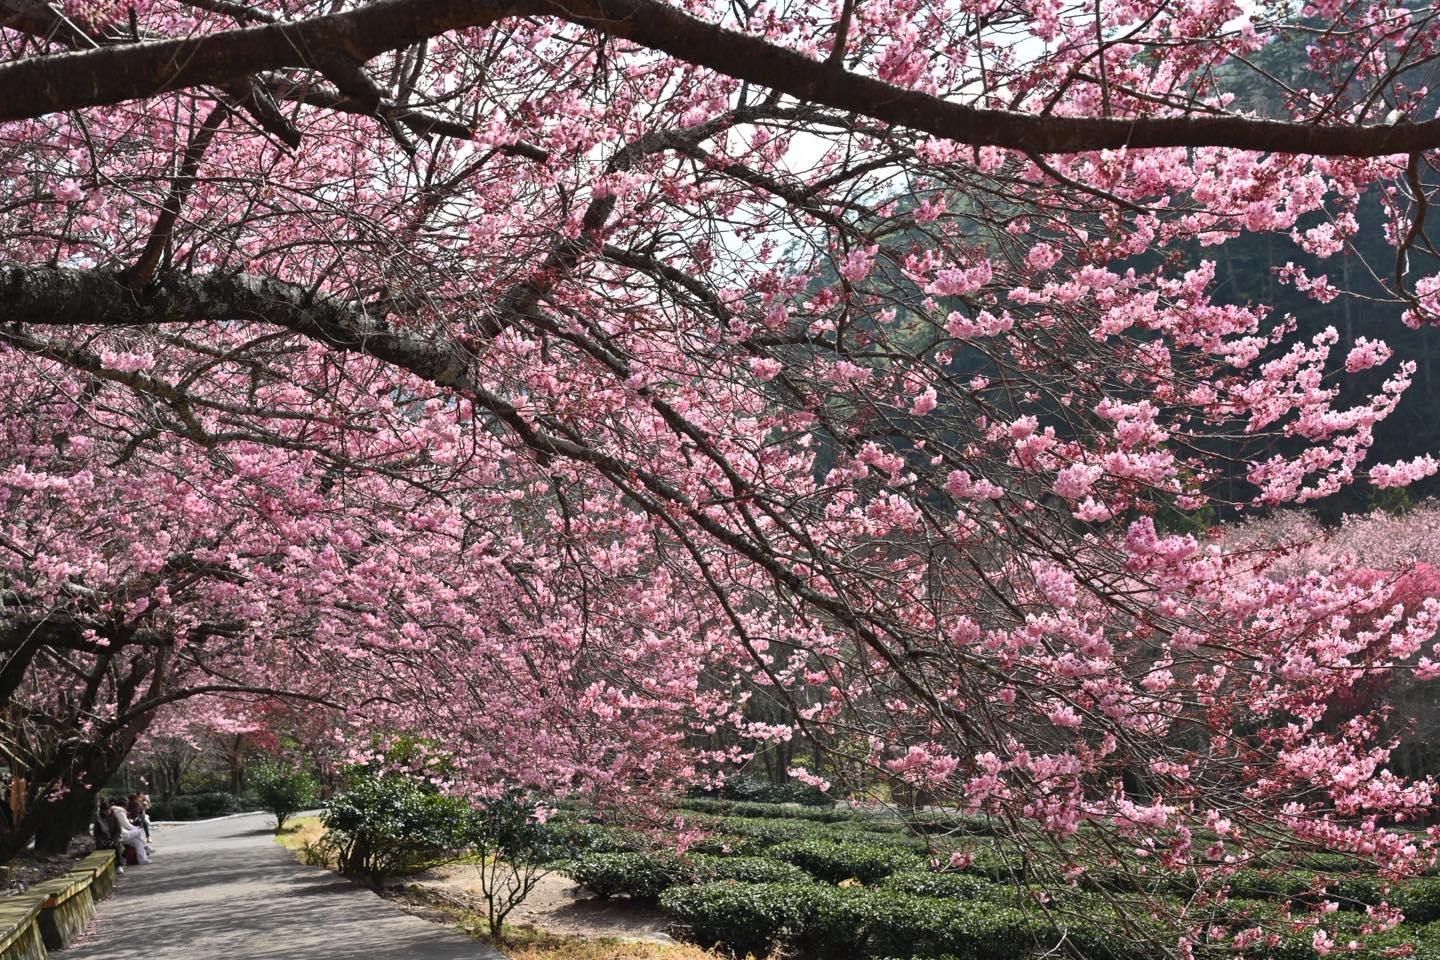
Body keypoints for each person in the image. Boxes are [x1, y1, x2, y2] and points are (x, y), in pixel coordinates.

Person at [109, 797, 151, 865]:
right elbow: (126, 824)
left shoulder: (116, 810)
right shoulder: (119, 812)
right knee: (139, 831)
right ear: (125, 805)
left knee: (138, 842)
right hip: (122, 835)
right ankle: (145, 847)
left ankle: (143, 859)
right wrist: (136, 828)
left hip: (122, 834)